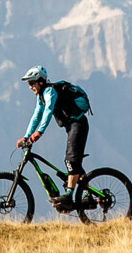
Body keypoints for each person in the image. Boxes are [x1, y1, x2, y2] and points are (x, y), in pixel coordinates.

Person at [15, 65, 89, 211]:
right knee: (74, 163)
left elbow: (48, 112)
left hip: (78, 124)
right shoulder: (41, 96)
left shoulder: (50, 92)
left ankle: (68, 195)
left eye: (31, 83)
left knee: (70, 160)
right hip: (71, 126)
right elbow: (36, 116)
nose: (30, 87)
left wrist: (39, 133)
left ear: (40, 81)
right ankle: (87, 194)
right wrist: (25, 136)